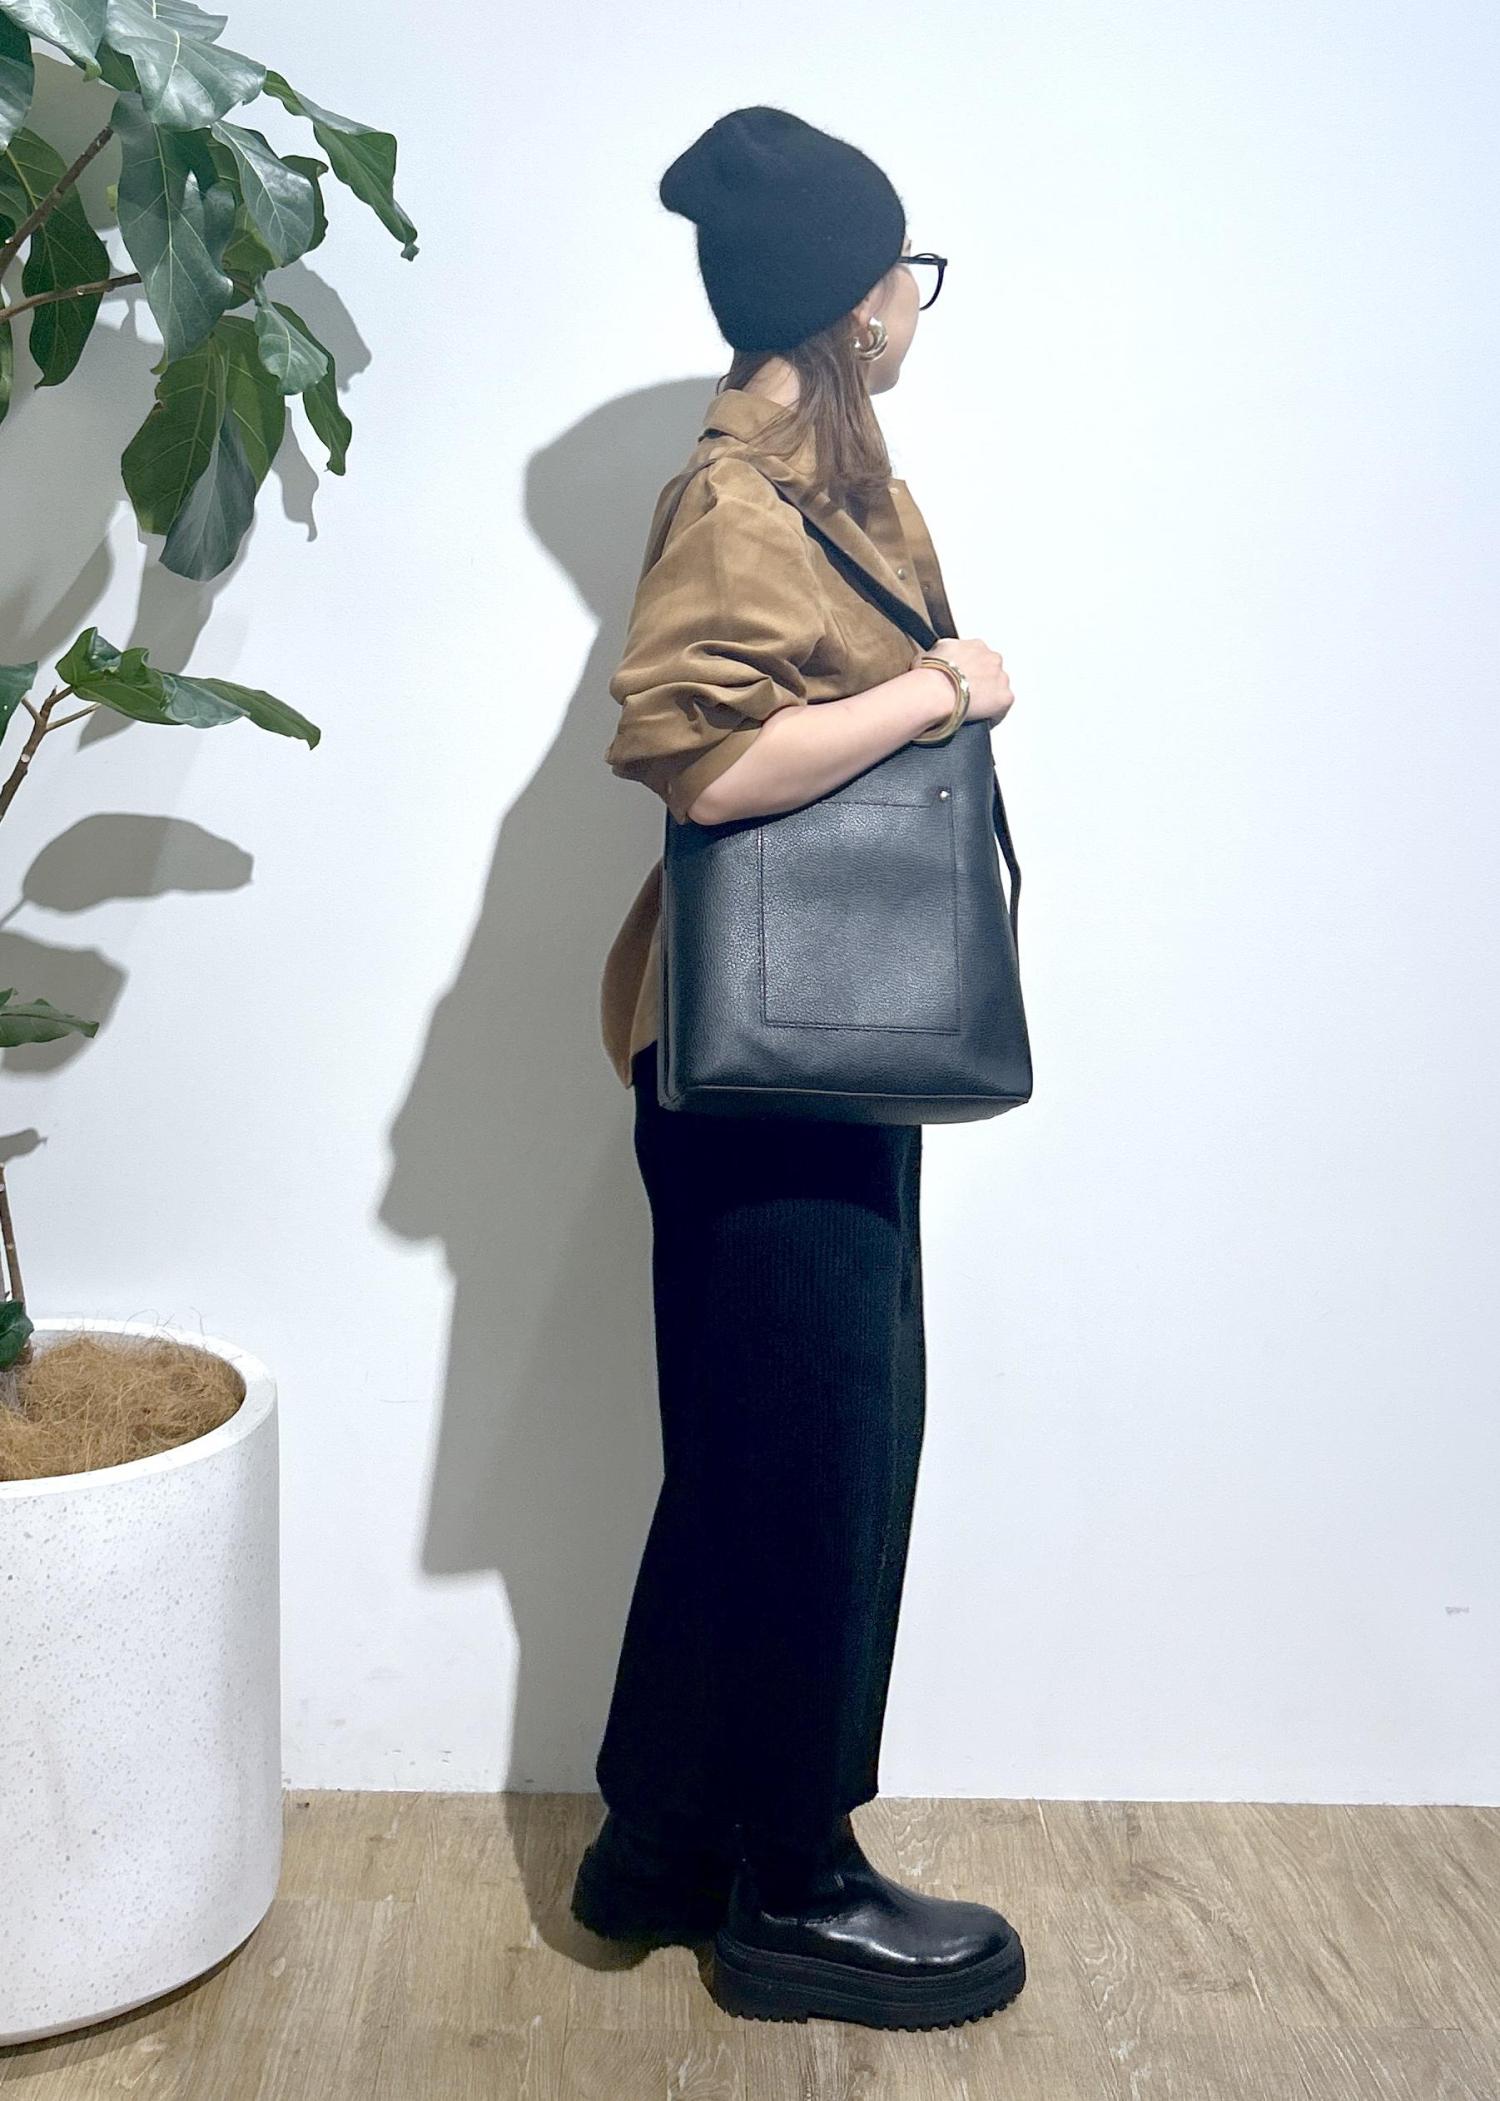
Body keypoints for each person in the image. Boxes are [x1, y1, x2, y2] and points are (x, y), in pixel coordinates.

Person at [571, 105, 1025, 2032]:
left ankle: (662, 1847)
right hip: (769, 1061)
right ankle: (795, 1887)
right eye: (904, 269)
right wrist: (939, 689)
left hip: (808, 1051)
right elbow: (699, 762)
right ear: (849, 301)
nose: (915, 300)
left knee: (764, 1456)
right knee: (818, 1467)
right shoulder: (741, 502)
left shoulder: (821, 483)